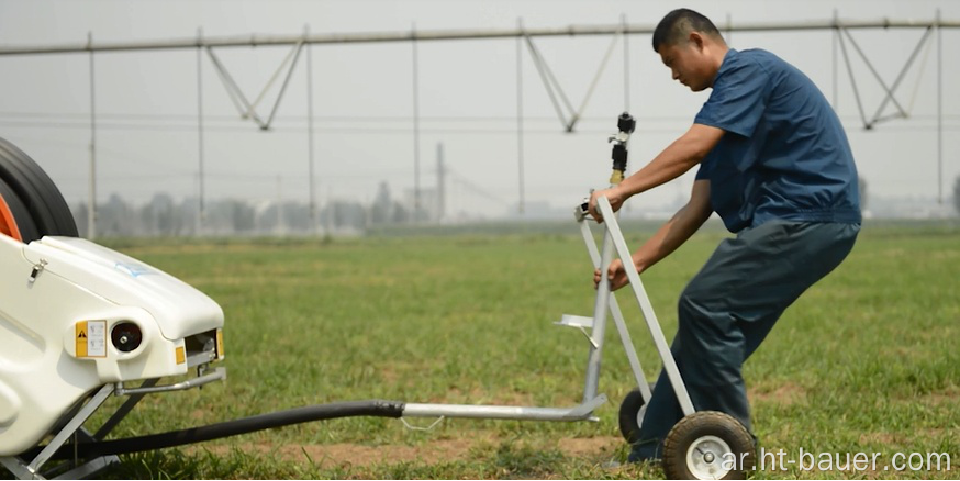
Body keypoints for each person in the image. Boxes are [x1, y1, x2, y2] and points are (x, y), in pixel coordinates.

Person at [587, 8, 861, 462]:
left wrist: (622, 190)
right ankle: (654, 449)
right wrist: (636, 262)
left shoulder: (749, 71)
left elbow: (693, 144)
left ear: (697, 41)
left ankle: (733, 453)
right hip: (798, 222)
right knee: (700, 333)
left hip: (809, 216)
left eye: (672, 62)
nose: (673, 75)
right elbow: (697, 206)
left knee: (705, 304)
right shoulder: (730, 114)